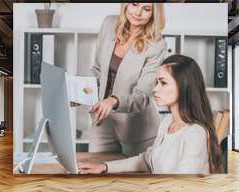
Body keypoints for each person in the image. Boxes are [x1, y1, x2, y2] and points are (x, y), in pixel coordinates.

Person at [78, 55, 223, 175]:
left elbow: (182, 186)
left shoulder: (195, 133)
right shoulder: (167, 122)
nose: (155, 89)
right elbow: (147, 160)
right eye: (156, 82)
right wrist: (103, 167)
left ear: (184, 86)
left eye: (163, 83)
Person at [89, 3, 167, 157]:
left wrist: (113, 101)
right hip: (102, 121)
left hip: (136, 129)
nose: (138, 13)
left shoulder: (157, 45)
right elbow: (98, 70)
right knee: (95, 173)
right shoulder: (109, 24)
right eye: (134, 4)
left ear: (154, 13)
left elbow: (142, 96)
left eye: (146, 9)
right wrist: (80, 93)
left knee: (133, 179)